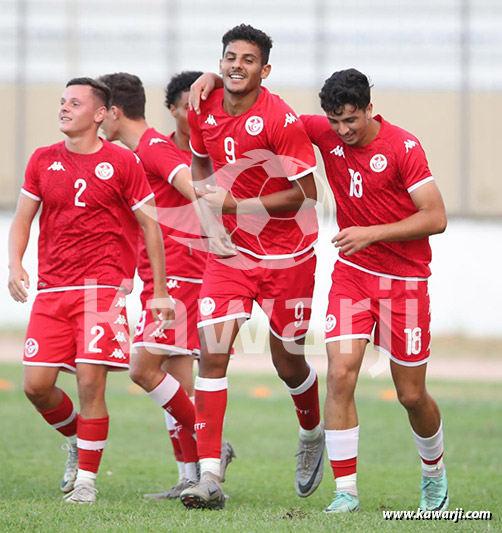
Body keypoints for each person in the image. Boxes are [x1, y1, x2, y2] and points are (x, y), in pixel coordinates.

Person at [190, 68, 449, 513]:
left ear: (370, 108)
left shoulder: (404, 147)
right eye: (335, 121)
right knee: (341, 371)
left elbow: (436, 216)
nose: (343, 131)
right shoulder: (321, 130)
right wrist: (215, 77)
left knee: (410, 394)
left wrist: (371, 233)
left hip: (405, 282)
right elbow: (267, 110)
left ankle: (433, 473)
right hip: (352, 274)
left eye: (352, 120)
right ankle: (345, 491)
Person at [7, 77, 174, 504]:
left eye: (75, 103)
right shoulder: (43, 160)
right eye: (62, 101)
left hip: (103, 290)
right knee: (35, 386)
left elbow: (150, 226)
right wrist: (14, 264)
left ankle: (86, 482)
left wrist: (158, 291)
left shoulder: (122, 162)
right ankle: (78, 441)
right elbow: (24, 218)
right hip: (52, 289)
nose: (63, 108)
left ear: (100, 114)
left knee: (89, 385)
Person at [179, 24, 324, 511]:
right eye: (229, 58)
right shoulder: (203, 107)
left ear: (265, 70)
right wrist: (209, 217)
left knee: (288, 362)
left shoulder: (279, 117)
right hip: (233, 258)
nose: (236, 66)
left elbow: (307, 196)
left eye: (247, 60)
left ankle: (311, 431)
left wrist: (235, 205)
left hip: (289, 257)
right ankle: (209, 476)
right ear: (220, 63)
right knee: (212, 350)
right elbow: (200, 168)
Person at [98, 71, 235, 499]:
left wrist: (215, 232)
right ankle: (191, 475)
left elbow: (193, 186)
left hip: (182, 277)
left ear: (114, 113)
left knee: (141, 368)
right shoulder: (138, 152)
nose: (98, 121)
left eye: (101, 112)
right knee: (175, 382)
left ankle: (213, 447)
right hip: (169, 275)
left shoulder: (154, 148)